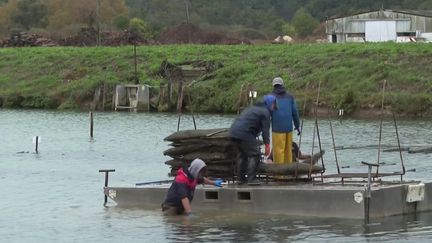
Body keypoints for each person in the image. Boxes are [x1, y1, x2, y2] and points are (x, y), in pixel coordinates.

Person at [229, 96, 273, 185]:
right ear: (270, 103)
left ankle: (240, 178)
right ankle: (252, 179)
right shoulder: (265, 112)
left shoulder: (252, 108)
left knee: (242, 155)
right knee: (255, 154)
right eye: (274, 105)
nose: (274, 108)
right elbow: (265, 130)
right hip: (244, 133)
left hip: (233, 132)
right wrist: (267, 145)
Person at [267, 77, 301, 164]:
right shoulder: (290, 97)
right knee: (287, 152)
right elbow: (295, 113)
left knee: (278, 153)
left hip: (277, 130)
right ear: (282, 85)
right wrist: (297, 126)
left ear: (273, 85)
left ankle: (280, 176)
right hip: (289, 130)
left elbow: (267, 114)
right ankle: (287, 173)